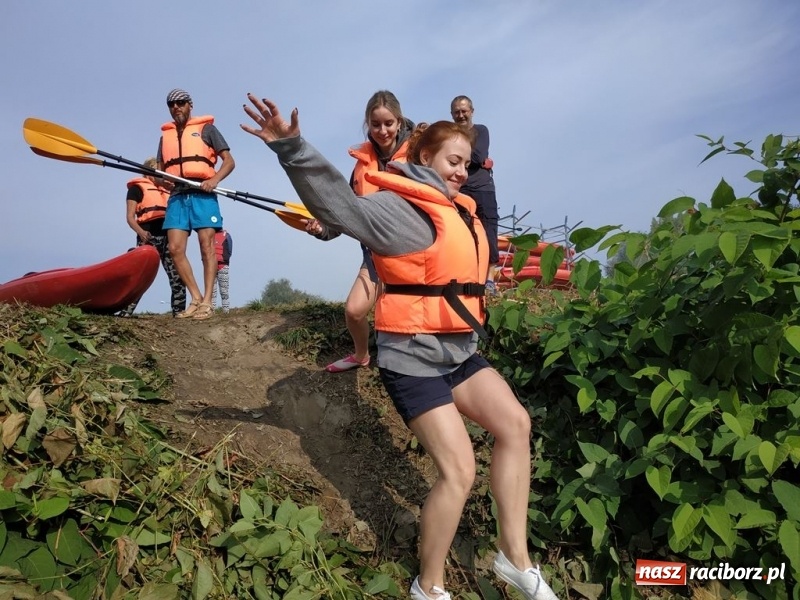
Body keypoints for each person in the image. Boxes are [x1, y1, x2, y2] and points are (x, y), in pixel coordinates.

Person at [241, 95, 559, 600]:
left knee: (516, 424)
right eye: (453, 162)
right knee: (459, 470)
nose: (462, 172)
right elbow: (339, 207)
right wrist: (291, 147)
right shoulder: (400, 209)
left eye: (467, 164)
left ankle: (513, 559)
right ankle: (427, 586)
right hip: (411, 358)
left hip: (456, 351)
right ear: (425, 159)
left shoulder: (462, 212)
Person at [305, 90, 414, 373]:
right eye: (375, 124)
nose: (382, 130)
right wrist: (323, 228)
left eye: (388, 123)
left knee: (408, 316)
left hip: (415, 252)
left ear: (399, 122)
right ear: (368, 124)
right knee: (354, 311)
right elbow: (348, 214)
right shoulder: (360, 167)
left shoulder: (418, 155)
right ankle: (361, 355)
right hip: (376, 253)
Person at [158, 88, 235, 320]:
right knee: (175, 249)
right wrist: (163, 179)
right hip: (178, 197)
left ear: (190, 105)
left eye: (181, 103)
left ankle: (207, 302)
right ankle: (195, 298)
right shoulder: (165, 137)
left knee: (207, 247)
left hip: (203, 194)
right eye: (172, 105)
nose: (176, 108)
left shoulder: (207, 130)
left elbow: (229, 162)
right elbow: (161, 171)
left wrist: (214, 180)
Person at [119, 158, 186, 317]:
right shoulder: (136, 188)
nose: (163, 174)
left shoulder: (167, 190)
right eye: (159, 170)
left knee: (177, 275)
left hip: (168, 236)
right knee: (142, 276)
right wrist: (141, 233)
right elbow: (130, 217)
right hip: (148, 237)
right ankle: (126, 312)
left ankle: (179, 312)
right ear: (149, 170)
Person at [450, 96, 499, 294]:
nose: (460, 115)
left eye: (464, 111)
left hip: (482, 188)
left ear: (471, 111)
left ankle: (489, 280)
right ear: (452, 114)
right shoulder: (450, 134)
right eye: (456, 112)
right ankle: (466, 277)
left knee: (488, 231)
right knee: (462, 234)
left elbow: (478, 156)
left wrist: (456, 155)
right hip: (459, 189)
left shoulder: (481, 130)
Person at [212, 228, 233, 312]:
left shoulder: (226, 235)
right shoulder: (208, 235)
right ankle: (211, 310)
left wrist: (225, 260)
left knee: (224, 290)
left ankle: (226, 310)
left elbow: (229, 249)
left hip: (223, 265)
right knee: (212, 291)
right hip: (211, 266)